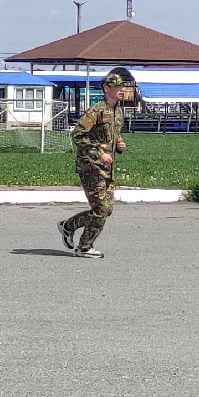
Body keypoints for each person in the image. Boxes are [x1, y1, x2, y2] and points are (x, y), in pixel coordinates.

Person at [57, 68, 132, 257]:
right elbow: (78, 135)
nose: (122, 89)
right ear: (107, 88)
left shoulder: (118, 111)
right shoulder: (96, 111)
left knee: (106, 210)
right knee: (101, 209)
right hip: (90, 166)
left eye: (123, 86)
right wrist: (99, 153)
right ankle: (84, 247)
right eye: (118, 86)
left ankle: (68, 226)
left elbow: (109, 136)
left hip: (107, 168)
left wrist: (119, 145)